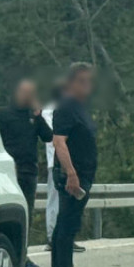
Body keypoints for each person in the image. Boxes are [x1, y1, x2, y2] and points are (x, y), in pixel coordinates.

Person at [50, 62, 98, 267]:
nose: (87, 86)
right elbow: (59, 142)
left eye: (89, 81)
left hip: (83, 173)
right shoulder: (66, 106)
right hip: (73, 176)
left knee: (66, 224)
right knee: (67, 226)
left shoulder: (79, 107)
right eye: (82, 81)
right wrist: (70, 173)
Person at [0, 79, 52, 267]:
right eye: (25, 93)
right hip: (9, 172)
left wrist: (38, 115)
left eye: (31, 93)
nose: (28, 97)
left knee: (27, 214)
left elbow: (48, 136)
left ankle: (23, 255)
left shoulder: (33, 117)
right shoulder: (4, 116)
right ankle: (9, 255)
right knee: (10, 214)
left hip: (29, 171)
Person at [42, 81, 85, 255]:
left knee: (68, 201)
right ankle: (52, 236)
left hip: (69, 161)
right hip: (56, 162)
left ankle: (66, 236)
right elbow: (55, 135)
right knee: (55, 199)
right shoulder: (50, 110)